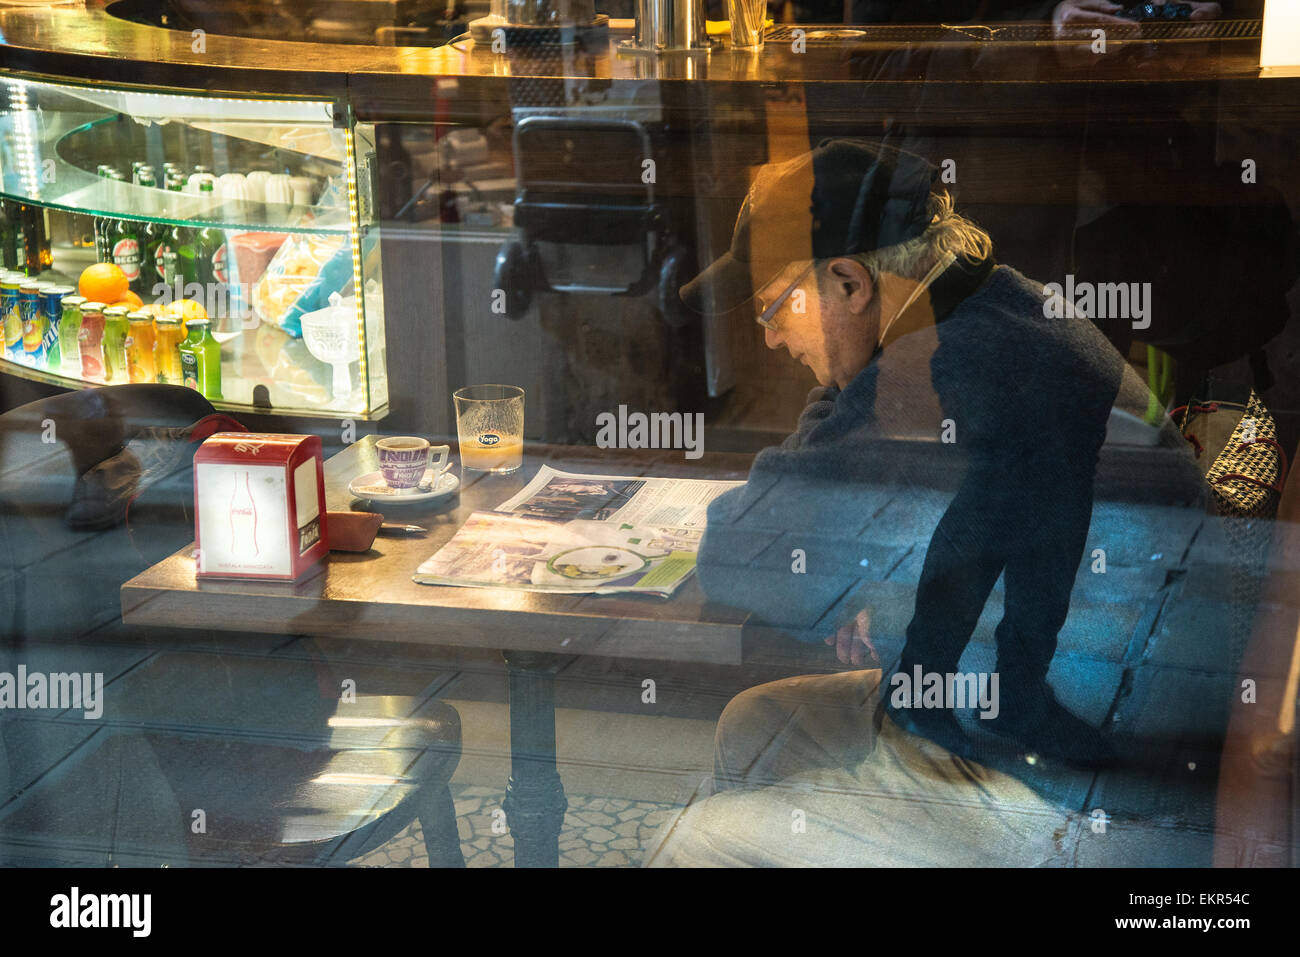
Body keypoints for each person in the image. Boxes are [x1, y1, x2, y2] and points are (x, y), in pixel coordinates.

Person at [680, 138, 1181, 768]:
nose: (773, 338)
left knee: (702, 840)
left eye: (772, 308)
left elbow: (738, 555)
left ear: (849, 281)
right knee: (752, 726)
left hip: (1077, 763)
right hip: (1048, 694)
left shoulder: (945, 367)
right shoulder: (991, 306)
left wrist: (851, 570)